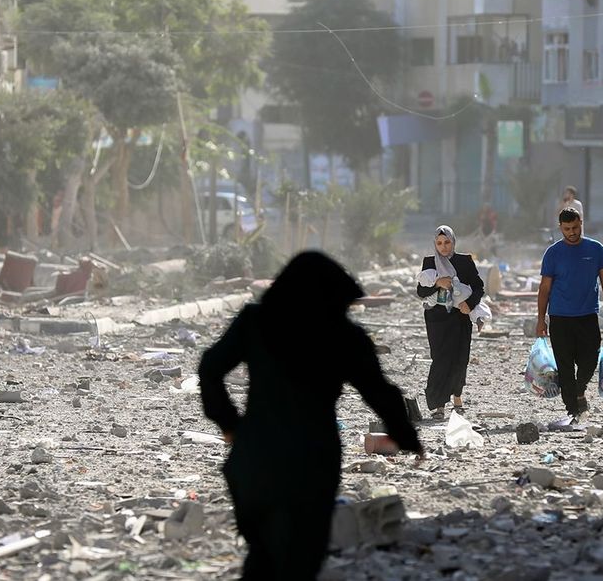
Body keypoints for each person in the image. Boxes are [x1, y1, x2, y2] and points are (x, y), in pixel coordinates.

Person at [198, 252, 423, 579]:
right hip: (312, 461)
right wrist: (406, 436)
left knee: (262, 556)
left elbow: (210, 368)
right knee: (301, 559)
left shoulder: (255, 321)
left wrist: (229, 424)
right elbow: (379, 392)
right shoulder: (344, 336)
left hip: (255, 457)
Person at [536, 207, 603, 423]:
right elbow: (544, 288)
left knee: (590, 360)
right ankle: (573, 409)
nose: (572, 232)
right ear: (560, 228)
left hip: (587, 315)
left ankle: (579, 390)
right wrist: (540, 319)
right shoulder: (553, 253)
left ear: (581, 223)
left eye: (575, 227)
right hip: (560, 318)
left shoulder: (596, 249)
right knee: (564, 366)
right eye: (567, 229)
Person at [416, 226, 485, 416]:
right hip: (437, 320)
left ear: (453, 242)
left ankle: (457, 396)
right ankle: (439, 404)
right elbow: (421, 291)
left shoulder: (464, 261)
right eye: (439, 243)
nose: (444, 247)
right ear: (434, 244)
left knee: (460, 358)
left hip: (460, 317)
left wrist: (469, 304)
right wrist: (437, 283)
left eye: (447, 242)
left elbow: (478, 287)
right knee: (440, 360)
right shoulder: (429, 263)